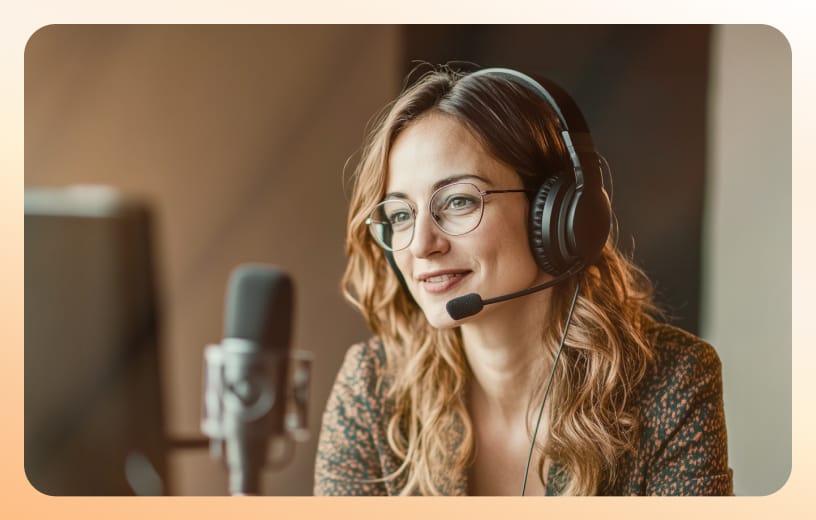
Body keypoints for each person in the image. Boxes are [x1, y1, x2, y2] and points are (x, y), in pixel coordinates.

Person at [314, 64, 733, 496]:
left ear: (557, 215)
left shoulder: (671, 383)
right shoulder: (372, 390)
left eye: (458, 201)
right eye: (401, 214)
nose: (421, 245)